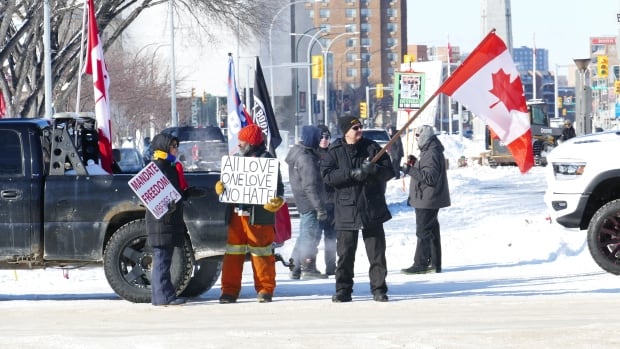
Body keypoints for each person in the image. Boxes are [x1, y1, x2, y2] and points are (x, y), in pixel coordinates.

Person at [321, 116, 394, 303]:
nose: (359, 130)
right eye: (355, 128)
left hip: (371, 207)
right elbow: (327, 176)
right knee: (345, 254)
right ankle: (343, 290)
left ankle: (379, 289)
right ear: (346, 131)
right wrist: (352, 174)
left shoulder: (372, 147)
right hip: (346, 209)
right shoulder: (335, 151)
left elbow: (390, 171)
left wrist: (374, 170)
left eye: (360, 127)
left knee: (377, 253)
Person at [215, 124, 285, 303]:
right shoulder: (235, 160)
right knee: (233, 253)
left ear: (252, 143)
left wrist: (277, 200)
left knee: (261, 252)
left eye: (242, 141)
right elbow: (226, 182)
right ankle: (229, 291)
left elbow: (279, 188)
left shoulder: (267, 160)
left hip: (259, 215)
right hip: (236, 214)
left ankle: (265, 289)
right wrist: (221, 187)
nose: (239, 144)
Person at [402, 125, 451, 275]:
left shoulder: (431, 152)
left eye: (418, 135)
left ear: (425, 137)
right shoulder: (429, 150)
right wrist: (415, 162)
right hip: (427, 197)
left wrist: (409, 170)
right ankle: (435, 264)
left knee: (423, 231)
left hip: (427, 198)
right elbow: (426, 168)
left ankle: (421, 263)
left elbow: (429, 177)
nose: (416, 139)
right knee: (432, 231)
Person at [146, 133, 187, 306]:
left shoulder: (164, 166)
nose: (176, 149)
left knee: (163, 260)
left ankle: (161, 296)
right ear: (164, 148)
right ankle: (164, 297)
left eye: (176, 146)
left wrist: (187, 194)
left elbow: (174, 193)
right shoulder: (161, 167)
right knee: (162, 260)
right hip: (162, 221)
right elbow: (160, 195)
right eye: (173, 146)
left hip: (165, 220)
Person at [285, 125, 328, 280]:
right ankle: (307, 267)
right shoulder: (307, 158)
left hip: (304, 202)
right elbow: (310, 186)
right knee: (310, 236)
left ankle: (295, 267)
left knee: (304, 235)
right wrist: (319, 207)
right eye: (318, 137)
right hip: (310, 203)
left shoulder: (299, 153)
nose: (320, 140)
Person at [317, 124, 337, 276]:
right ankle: (303, 265)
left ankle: (331, 266)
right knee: (313, 236)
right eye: (321, 137)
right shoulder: (312, 154)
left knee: (331, 237)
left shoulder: (333, 153)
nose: (324, 140)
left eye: (327, 137)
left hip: (331, 201)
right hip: (317, 203)